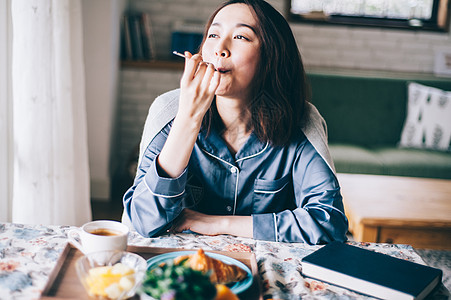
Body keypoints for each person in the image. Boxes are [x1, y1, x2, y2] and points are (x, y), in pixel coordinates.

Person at [123, 0, 348, 244]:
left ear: (272, 55)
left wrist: (217, 223)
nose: (220, 47)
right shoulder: (168, 112)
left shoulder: (302, 120)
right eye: (213, 34)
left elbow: (328, 222)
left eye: (240, 37)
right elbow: (143, 222)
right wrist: (188, 118)